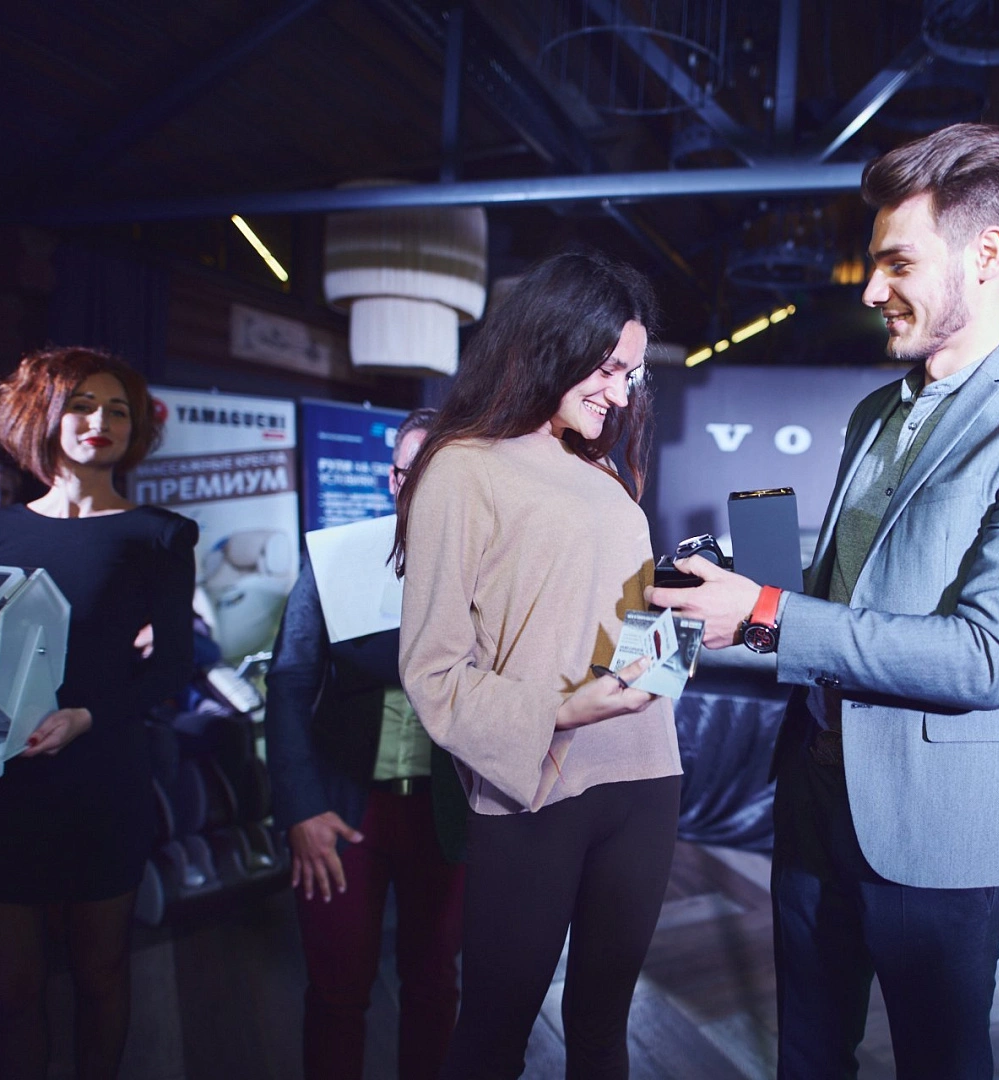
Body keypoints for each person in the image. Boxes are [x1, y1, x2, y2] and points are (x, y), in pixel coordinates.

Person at [651, 123, 999, 1079]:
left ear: (985, 255)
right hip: (812, 796)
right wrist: (730, 603)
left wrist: (769, 613)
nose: (869, 290)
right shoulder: (876, 412)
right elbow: (845, 600)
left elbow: (987, 660)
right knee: (807, 1056)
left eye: (896, 263)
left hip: (939, 826)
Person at [395, 250, 678, 1080]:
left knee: (601, 1031)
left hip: (646, 775)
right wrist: (560, 710)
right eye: (609, 368)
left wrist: (683, 630)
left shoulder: (601, 470)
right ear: (554, 342)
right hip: (535, 782)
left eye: (630, 375)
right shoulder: (462, 466)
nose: (620, 393)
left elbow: (617, 623)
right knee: (492, 1037)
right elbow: (432, 671)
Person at [0, 346, 197, 1080]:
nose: (101, 420)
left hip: (103, 777)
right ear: (45, 416)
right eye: (83, 405)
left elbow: (173, 666)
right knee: (11, 990)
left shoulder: (159, 535)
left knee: (101, 973)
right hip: (4, 785)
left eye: (118, 409)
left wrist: (87, 715)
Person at [267, 406, 468, 1080]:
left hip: (444, 808)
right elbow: (288, 682)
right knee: (336, 988)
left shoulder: (485, 570)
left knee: (435, 982)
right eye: (413, 473)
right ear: (392, 478)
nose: (424, 490)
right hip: (342, 809)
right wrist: (300, 807)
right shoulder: (338, 557)